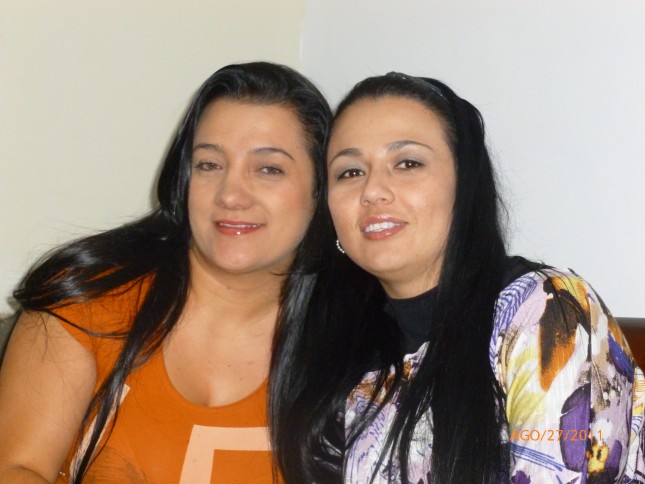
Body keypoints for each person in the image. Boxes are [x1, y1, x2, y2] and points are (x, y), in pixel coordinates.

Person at [272, 73, 645, 483]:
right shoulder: (333, 341)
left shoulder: (547, 311)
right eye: (349, 172)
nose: (373, 190)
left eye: (408, 163)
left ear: (465, 185)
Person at [0, 61, 332, 483]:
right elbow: (16, 469)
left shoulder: (354, 348)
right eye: (209, 164)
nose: (231, 195)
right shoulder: (87, 298)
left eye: (269, 169)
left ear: (321, 190)